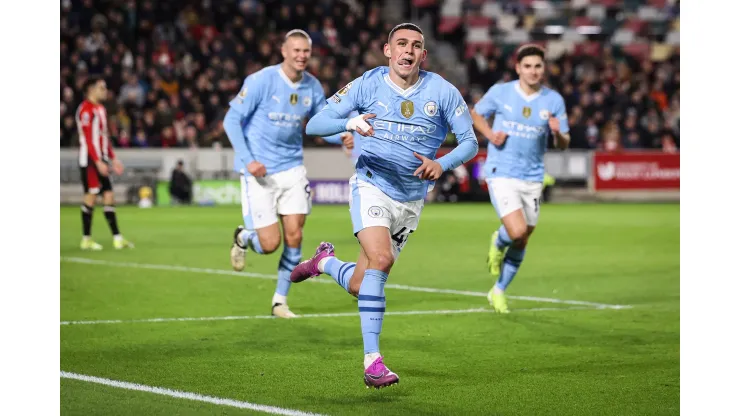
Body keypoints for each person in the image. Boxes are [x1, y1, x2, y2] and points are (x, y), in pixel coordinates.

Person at [290, 23, 478, 388]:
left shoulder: (443, 91)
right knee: (382, 259)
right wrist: (349, 121)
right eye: (401, 44)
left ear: (424, 54)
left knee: (361, 284)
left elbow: (469, 142)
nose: (408, 50)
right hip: (371, 184)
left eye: (417, 46)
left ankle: (323, 262)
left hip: (410, 199)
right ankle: (373, 361)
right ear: (387, 50)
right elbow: (314, 124)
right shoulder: (367, 83)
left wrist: (443, 164)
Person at [223, 29, 354, 319]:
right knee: (270, 244)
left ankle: (279, 301)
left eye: (306, 51)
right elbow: (231, 119)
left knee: (295, 236)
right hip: (259, 172)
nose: (301, 56)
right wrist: (249, 160)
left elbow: (321, 125)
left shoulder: (312, 86)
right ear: (284, 51)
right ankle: (244, 238)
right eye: (295, 50)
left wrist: (343, 133)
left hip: (293, 169)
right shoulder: (260, 81)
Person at [469, 44, 571, 313]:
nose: (533, 71)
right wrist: (490, 135)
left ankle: (498, 290)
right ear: (518, 68)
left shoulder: (553, 100)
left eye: (538, 66)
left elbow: (563, 143)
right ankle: (498, 240)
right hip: (501, 171)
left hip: (534, 177)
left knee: (523, 238)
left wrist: (558, 133)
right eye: (527, 66)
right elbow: (476, 113)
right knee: (516, 231)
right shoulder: (501, 92)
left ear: (543, 68)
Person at [75, 76, 134, 250]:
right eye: (102, 88)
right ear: (91, 89)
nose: (105, 91)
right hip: (90, 161)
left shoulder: (101, 109)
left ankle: (117, 238)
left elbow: (103, 137)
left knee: (109, 196)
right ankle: (86, 239)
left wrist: (113, 158)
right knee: (91, 197)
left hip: (101, 159)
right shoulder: (85, 110)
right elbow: (88, 139)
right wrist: (97, 161)